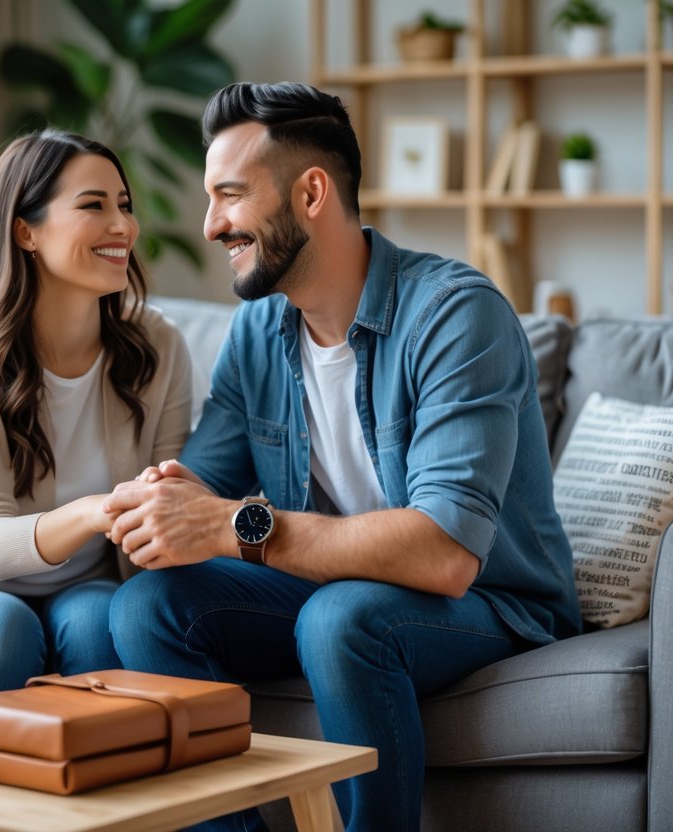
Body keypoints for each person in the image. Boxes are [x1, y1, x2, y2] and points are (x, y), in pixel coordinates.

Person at [101, 82, 581, 832]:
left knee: (339, 619)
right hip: (332, 584)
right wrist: (168, 502)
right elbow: (207, 490)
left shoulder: (455, 315)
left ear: (311, 192)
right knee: (144, 607)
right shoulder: (259, 331)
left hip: (490, 601)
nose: (209, 225)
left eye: (229, 196)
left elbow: (446, 555)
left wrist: (231, 524)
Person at [0, 128, 193, 697]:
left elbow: (160, 510)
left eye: (125, 205)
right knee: (1, 629)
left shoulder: (158, 346)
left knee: (102, 621)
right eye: (94, 205)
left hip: (85, 583)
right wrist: (93, 511)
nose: (124, 226)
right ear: (25, 230)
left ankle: (106, 783)